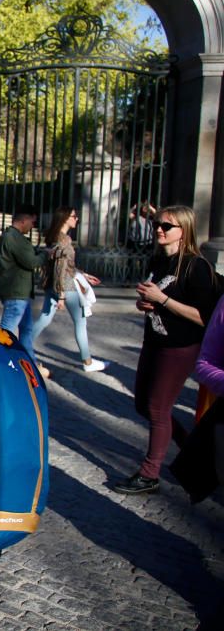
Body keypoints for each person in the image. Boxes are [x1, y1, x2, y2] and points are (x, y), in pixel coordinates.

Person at [114, 205, 219, 495]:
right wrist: (144, 304)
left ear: (183, 231)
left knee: (158, 408)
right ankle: (192, 450)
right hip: (154, 342)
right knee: (142, 405)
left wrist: (161, 299)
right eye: (157, 223)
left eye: (166, 226)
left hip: (180, 347)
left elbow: (205, 317)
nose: (158, 228)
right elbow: (153, 299)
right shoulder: (159, 261)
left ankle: (150, 474)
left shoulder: (197, 267)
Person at [31, 207, 106, 372]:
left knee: (44, 318)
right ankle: (88, 362)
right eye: (74, 216)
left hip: (53, 284)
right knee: (80, 322)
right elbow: (61, 268)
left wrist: (83, 274)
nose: (76, 219)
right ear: (65, 218)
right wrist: (62, 295)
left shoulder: (54, 237)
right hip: (65, 285)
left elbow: (64, 266)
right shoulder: (64, 240)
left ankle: (24, 346)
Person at [0, 203, 49, 375]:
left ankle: (31, 366)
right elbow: (31, 262)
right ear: (24, 220)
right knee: (6, 332)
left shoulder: (15, 237)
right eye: (32, 222)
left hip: (20, 292)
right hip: (16, 292)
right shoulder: (13, 237)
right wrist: (45, 255)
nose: (33, 226)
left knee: (26, 330)